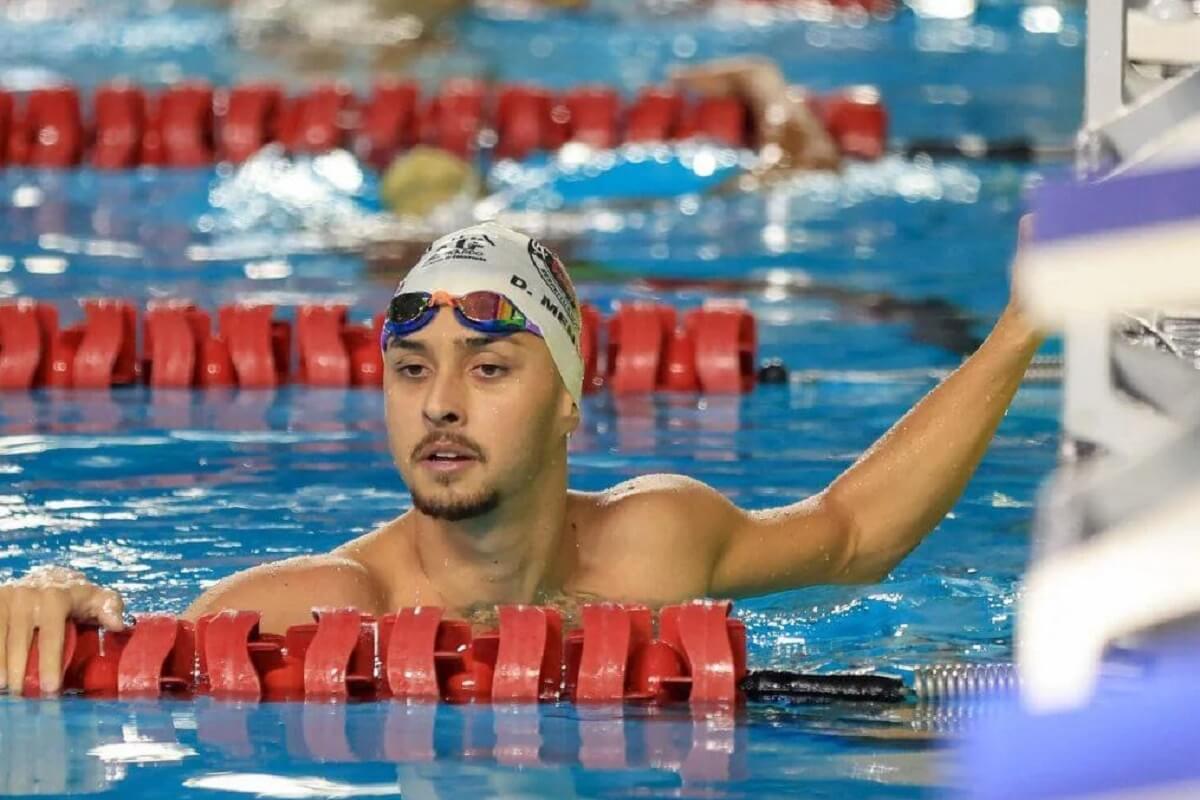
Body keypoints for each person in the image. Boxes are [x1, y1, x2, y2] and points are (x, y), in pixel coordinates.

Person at [0, 220, 1043, 694]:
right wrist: (43, 592)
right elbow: (120, 642)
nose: (440, 403)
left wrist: (1024, 324)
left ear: (569, 404)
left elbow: (855, 535)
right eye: (411, 369)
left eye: (490, 369)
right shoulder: (314, 602)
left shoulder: (655, 542)